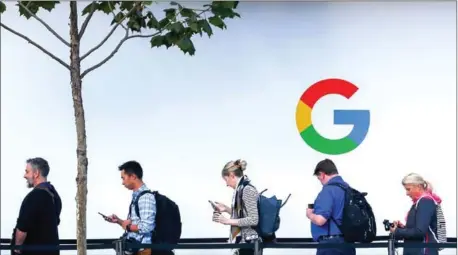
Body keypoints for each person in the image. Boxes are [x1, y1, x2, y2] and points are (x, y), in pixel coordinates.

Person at [105, 161, 157, 255]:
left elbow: (147, 227)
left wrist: (128, 227)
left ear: (133, 176)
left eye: (123, 178)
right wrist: (119, 221)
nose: (122, 182)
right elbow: (136, 223)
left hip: (143, 251)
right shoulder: (137, 196)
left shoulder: (145, 197)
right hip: (137, 249)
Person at [306, 159, 355, 255]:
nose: (320, 182)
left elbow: (320, 220)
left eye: (319, 178)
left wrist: (310, 214)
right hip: (348, 244)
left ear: (322, 174)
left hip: (330, 245)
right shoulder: (347, 189)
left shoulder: (328, 191)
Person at [13, 157, 62, 255]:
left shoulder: (33, 197)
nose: (24, 176)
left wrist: (16, 249)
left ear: (36, 173)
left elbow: (22, 229)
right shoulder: (55, 196)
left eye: (27, 172)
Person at [212, 159, 262, 255]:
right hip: (245, 243)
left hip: (250, 244)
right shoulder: (241, 190)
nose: (226, 184)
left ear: (232, 175)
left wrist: (227, 221)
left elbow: (254, 219)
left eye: (226, 180)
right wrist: (226, 209)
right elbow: (244, 214)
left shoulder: (247, 190)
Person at [389, 173, 444, 255]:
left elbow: (419, 232)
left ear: (418, 187)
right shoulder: (421, 202)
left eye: (408, 189)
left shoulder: (425, 202)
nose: (406, 193)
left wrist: (397, 231)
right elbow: (421, 228)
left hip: (423, 252)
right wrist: (402, 228)